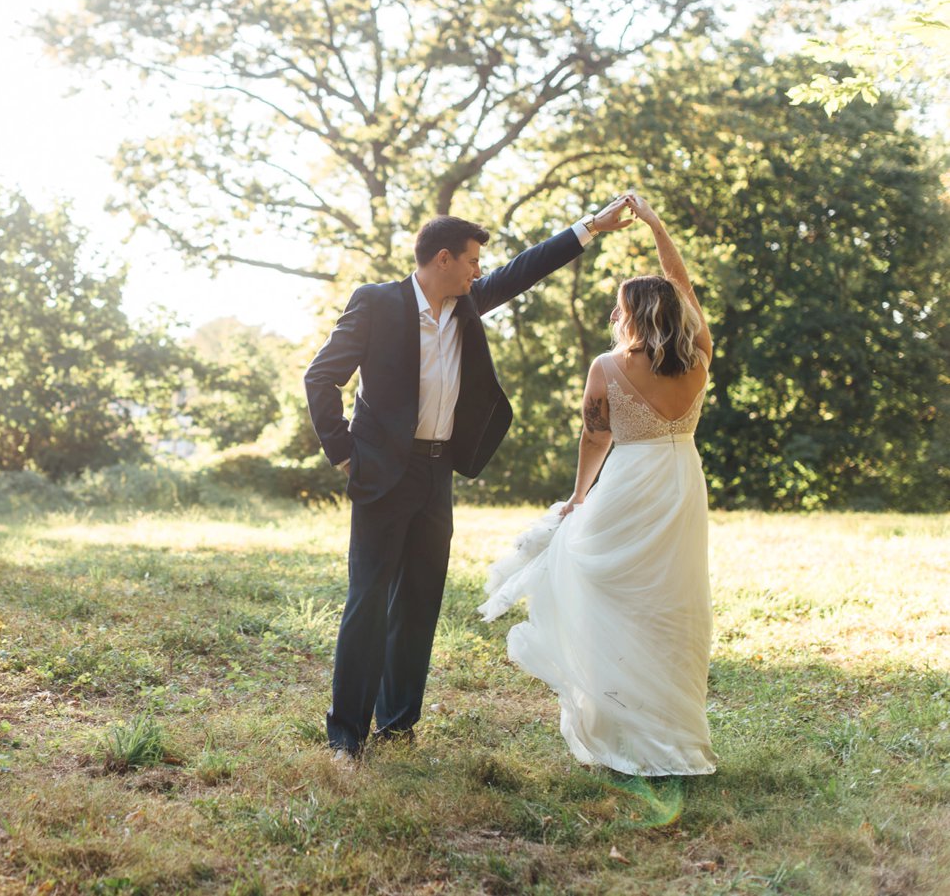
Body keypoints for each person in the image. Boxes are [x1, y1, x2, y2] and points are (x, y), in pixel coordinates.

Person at [304, 197, 635, 759]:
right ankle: (346, 736)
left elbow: (525, 269)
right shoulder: (377, 303)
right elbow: (321, 376)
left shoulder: (467, 304)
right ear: (442, 259)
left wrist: (591, 228)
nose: (480, 270)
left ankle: (400, 725)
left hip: (437, 472)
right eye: (473, 260)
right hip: (383, 471)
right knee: (369, 599)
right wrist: (343, 454)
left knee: (420, 601)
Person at [478, 192, 717, 776]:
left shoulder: (607, 368)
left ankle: (613, 718)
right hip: (681, 482)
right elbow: (682, 283)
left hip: (628, 482)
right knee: (671, 602)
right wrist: (659, 226)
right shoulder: (701, 357)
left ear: (632, 315)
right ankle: (673, 733)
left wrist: (581, 495)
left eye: (619, 309)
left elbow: (595, 438)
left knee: (609, 592)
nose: (615, 316)